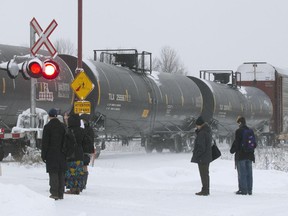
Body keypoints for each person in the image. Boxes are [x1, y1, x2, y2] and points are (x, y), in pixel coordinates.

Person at [41, 108, 67, 200]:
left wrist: (43, 155)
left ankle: (54, 193)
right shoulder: (63, 126)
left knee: (53, 173)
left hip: (51, 154)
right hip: (62, 153)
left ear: (49, 116)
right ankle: (61, 193)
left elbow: (45, 143)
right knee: (61, 173)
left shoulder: (48, 127)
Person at [230, 116, 255, 195]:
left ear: (240, 123)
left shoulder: (238, 131)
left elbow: (237, 143)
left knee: (242, 173)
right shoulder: (250, 131)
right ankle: (249, 190)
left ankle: (243, 190)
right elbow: (254, 144)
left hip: (241, 155)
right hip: (250, 155)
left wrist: (232, 150)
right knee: (249, 173)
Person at [65, 114, 86, 195]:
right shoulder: (82, 130)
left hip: (71, 154)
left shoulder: (68, 130)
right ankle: (78, 188)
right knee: (78, 172)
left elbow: (65, 143)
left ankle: (72, 189)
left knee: (71, 172)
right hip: (80, 153)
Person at [191, 116, 212, 196]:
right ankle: (206, 189)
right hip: (207, 156)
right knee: (205, 174)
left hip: (202, 157)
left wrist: (196, 154)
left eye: (197, 125)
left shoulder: (202, 133)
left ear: (199, 125)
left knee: (203, 174)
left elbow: (201, 147)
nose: (196, 127)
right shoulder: (207, 131)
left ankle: (205, 190)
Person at [80, 114, 95, 190]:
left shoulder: (87, 130)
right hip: (85, 150)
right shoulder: (89, 129)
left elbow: (90, 141)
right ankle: (82, 182)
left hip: (85, 151)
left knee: (84, 166)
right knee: (83, 166)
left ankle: (83, 183)